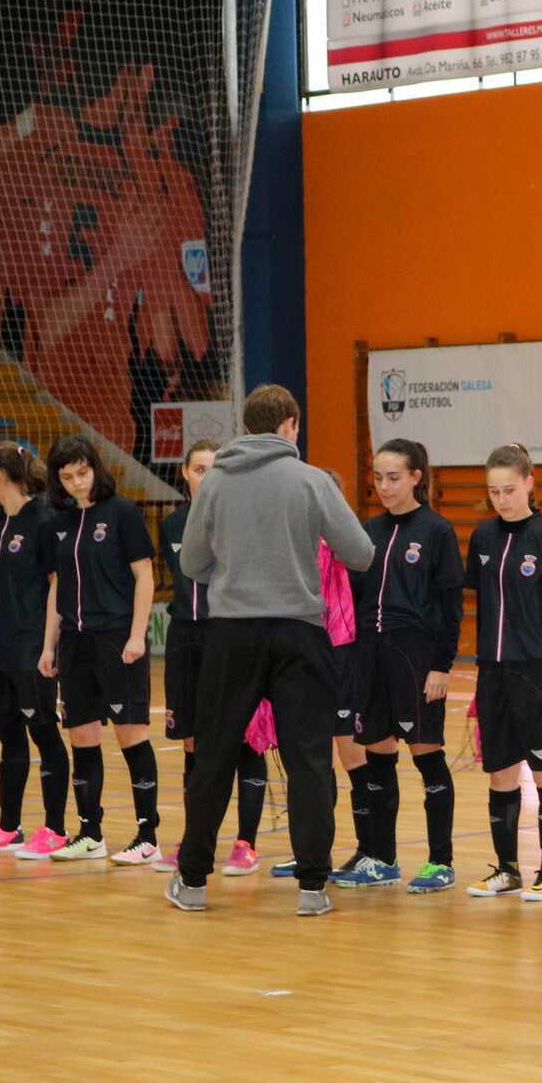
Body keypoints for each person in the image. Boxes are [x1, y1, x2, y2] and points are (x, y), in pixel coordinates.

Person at [166, 385, 374, 914]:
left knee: (213, 757)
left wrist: (235, 570)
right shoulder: (311, 480)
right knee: (309, 761)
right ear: (291, 425)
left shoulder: (215, 482)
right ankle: (312, 889)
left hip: (231, 634)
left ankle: (192, 882)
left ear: (246, 426)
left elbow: (191, 563)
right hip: (299, 632)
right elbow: (360, 553)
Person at [342, 438, 465, 894]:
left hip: (415, 658)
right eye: (378, 477)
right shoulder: (368, 531)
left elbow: (451, 607)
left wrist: (442, 665)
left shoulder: (436, 531)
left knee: (426, 756)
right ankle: (382, 858)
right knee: (378, 756)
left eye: (393, 477)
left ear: (416, 477)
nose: (384, 486)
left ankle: (440, 862)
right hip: (370, 655)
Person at [463, 444, 542, 900]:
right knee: (500, 772)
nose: (501, 499)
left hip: (540, 671)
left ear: (530, 483)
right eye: (494, 491)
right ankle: (507, 869)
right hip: (494, 671)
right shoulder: (483, 537)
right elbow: (481, 599)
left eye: (509, 490)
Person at [39, 435, 160, 863]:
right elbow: (57, 588)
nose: (77, 482)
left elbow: (144, 577)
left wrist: (136, 635)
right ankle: (90, 832)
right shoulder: (59, 522)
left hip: (116, 637)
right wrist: (49, 645)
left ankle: (147, 835)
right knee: (82, 736)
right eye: (67, 477)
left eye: (83, 472)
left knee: (130, 733)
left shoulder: (122, 512)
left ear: (95, 467)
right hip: (75, 642)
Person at [151, 441, 269, 879]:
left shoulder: (244, 518)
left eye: (215, 468)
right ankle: (194, 839)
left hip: (232, 635)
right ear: (184, 473)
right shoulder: (172, 524)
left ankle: (246, 842)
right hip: (186, 639)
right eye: (199, 468)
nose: (207, 476)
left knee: (245, 738)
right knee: (192, 742)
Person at [0, 441, 75, 856]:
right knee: (8, 736)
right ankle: (9, 826)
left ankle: (55, 829)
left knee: (44, 733)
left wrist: (48, 645)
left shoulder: (43, 521)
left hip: (30, 650)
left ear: (0, 475)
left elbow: (56, 586)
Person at [273, 470, 383, 884]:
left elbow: (366, 602)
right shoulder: (293, 542)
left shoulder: (352, 546)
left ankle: (370, 849)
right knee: (310, 759)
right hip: (302, 654)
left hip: (342, 656)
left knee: (352, 755)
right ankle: (311, 851)